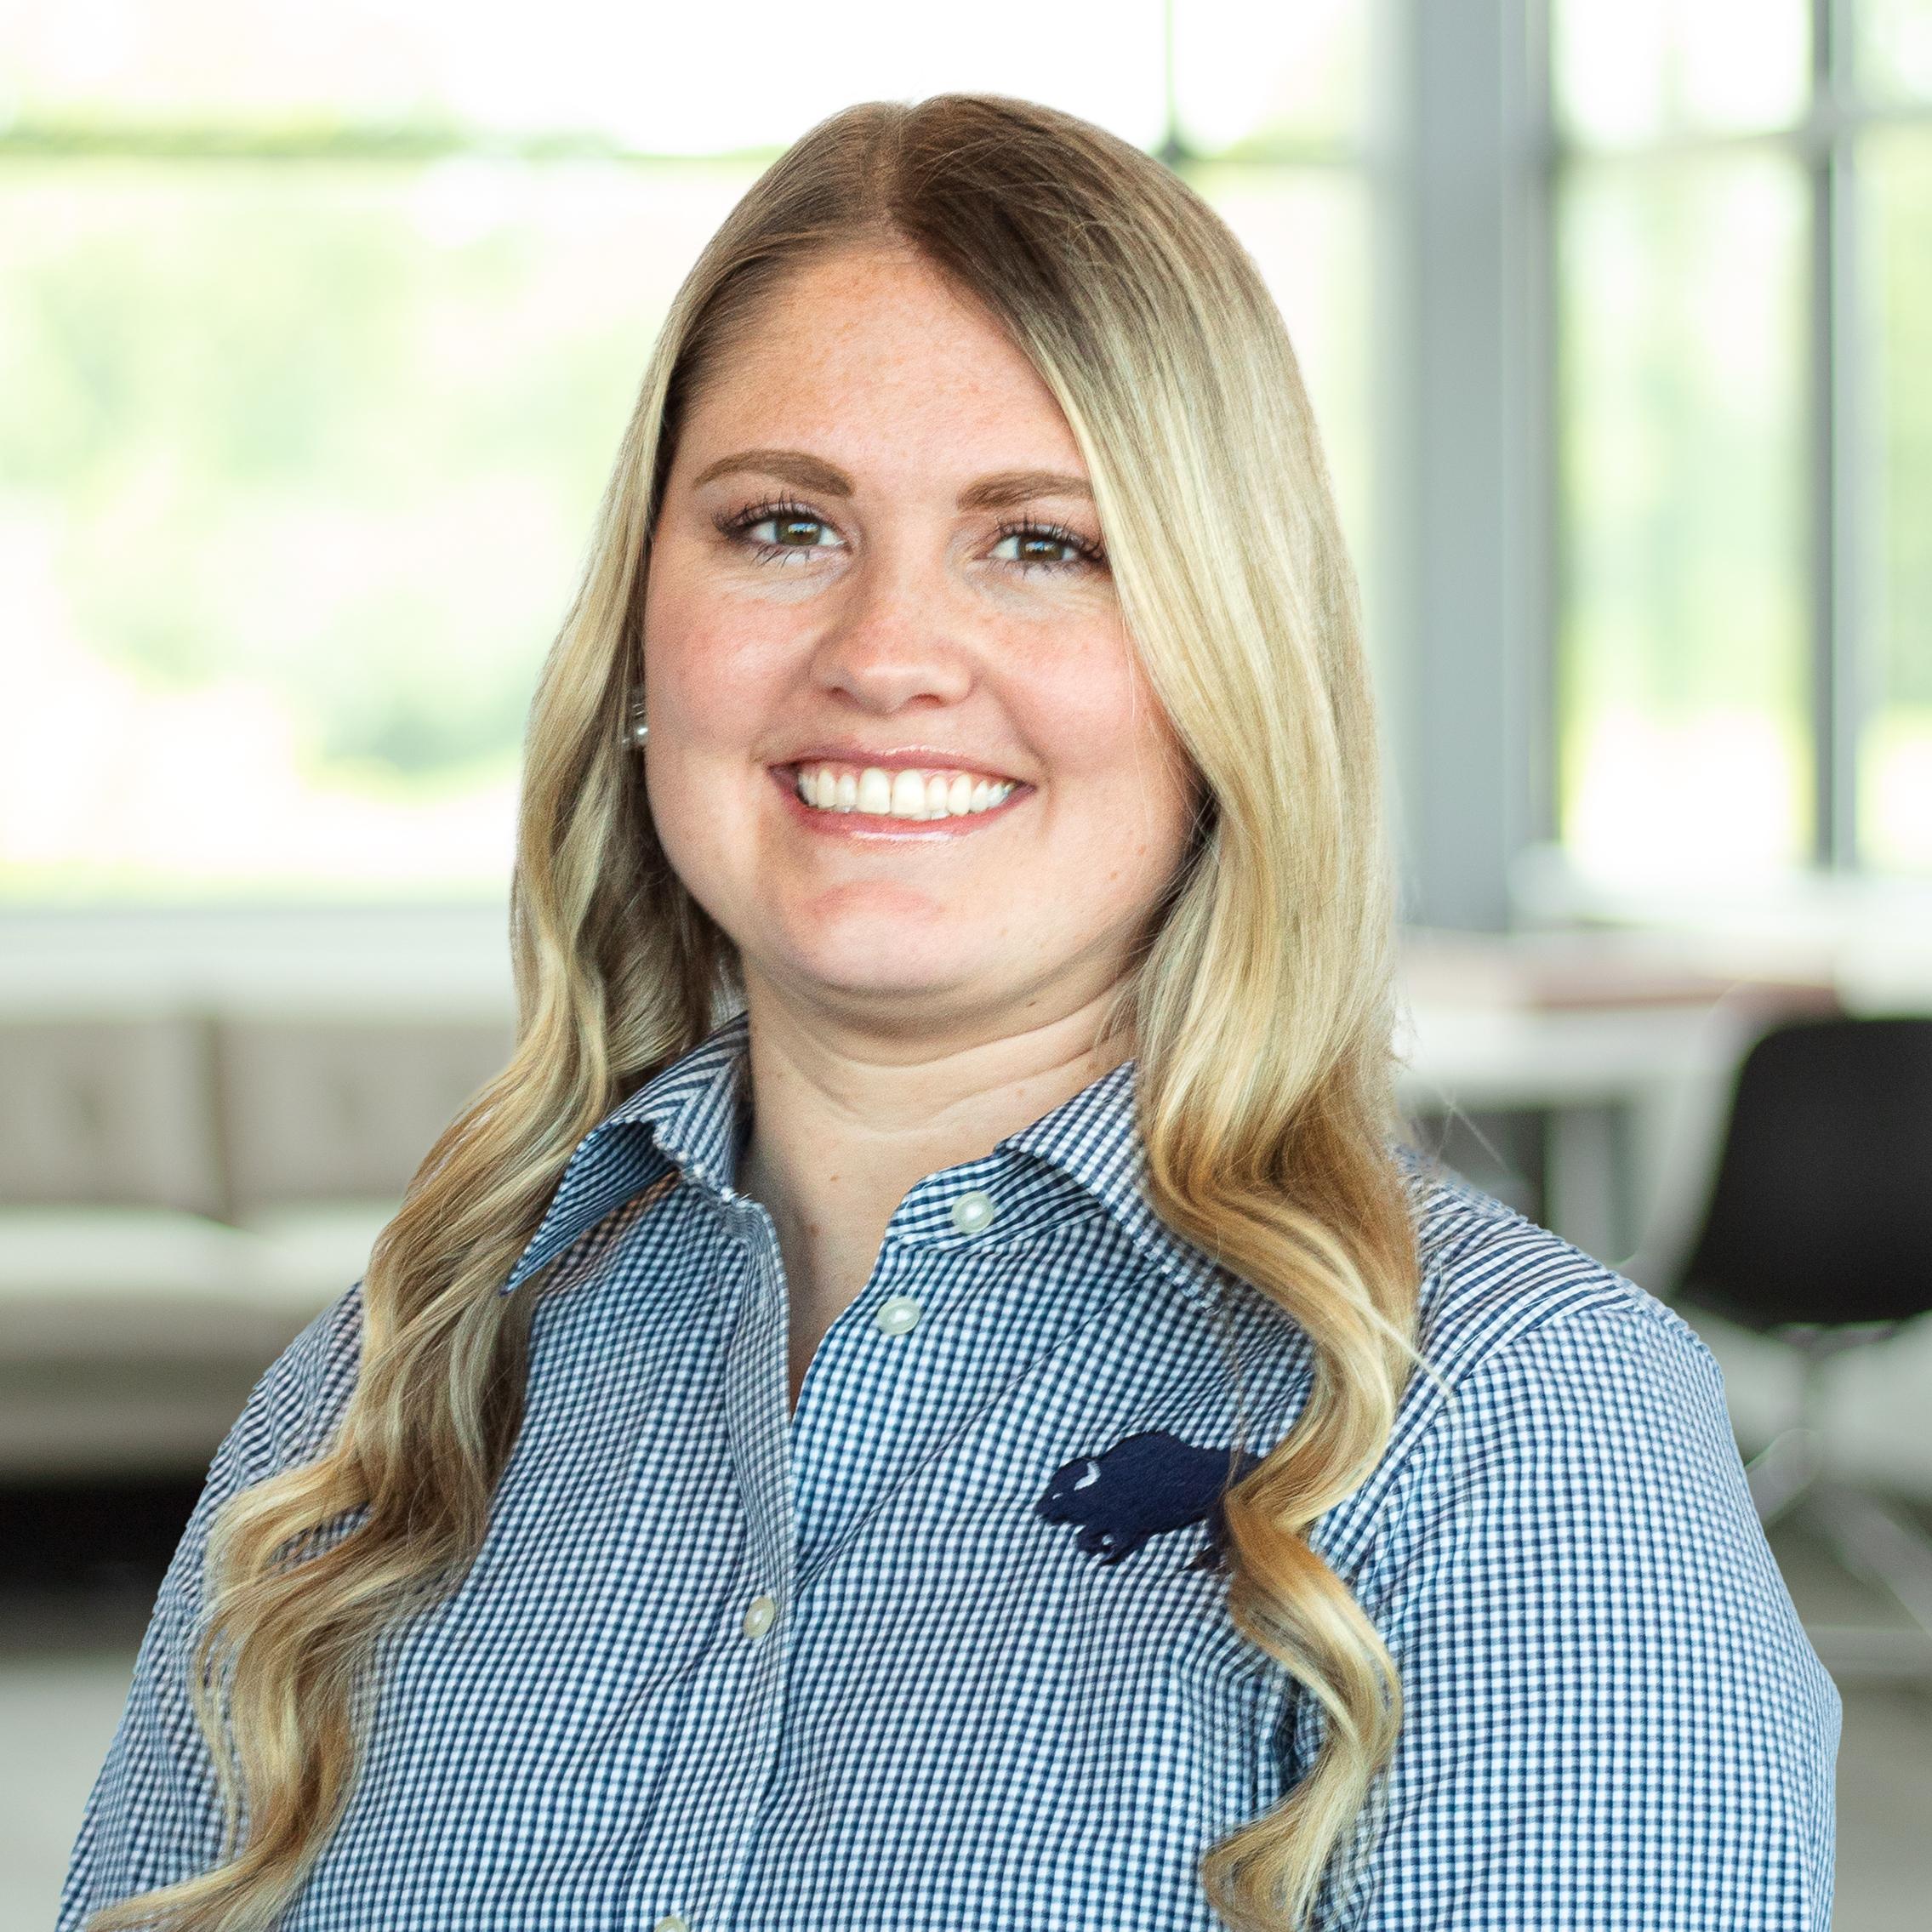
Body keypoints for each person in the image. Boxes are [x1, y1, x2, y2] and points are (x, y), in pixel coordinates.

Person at [60, 94, 1838, 1932]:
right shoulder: (390, 1392)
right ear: (643, 636)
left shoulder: (1516, 1431)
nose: (887, 653)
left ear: (1229, 660)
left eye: (1043, 543)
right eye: (782, 526)